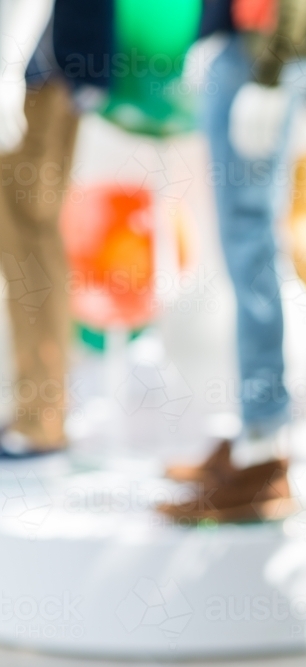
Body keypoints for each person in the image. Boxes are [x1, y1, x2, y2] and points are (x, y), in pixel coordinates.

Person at [158, 0, 306, 522]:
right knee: (244, 249)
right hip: (247, 49)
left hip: (260, 53)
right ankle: (256, 437)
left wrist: (271, 70)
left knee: (251, 247)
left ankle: (263, 451)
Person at [0, 0, 112, 456]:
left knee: (27, 238)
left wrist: (7, 68)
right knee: (29, 238)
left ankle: (41, 416)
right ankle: (38, 411)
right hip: (48, 68)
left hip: (37, 73)